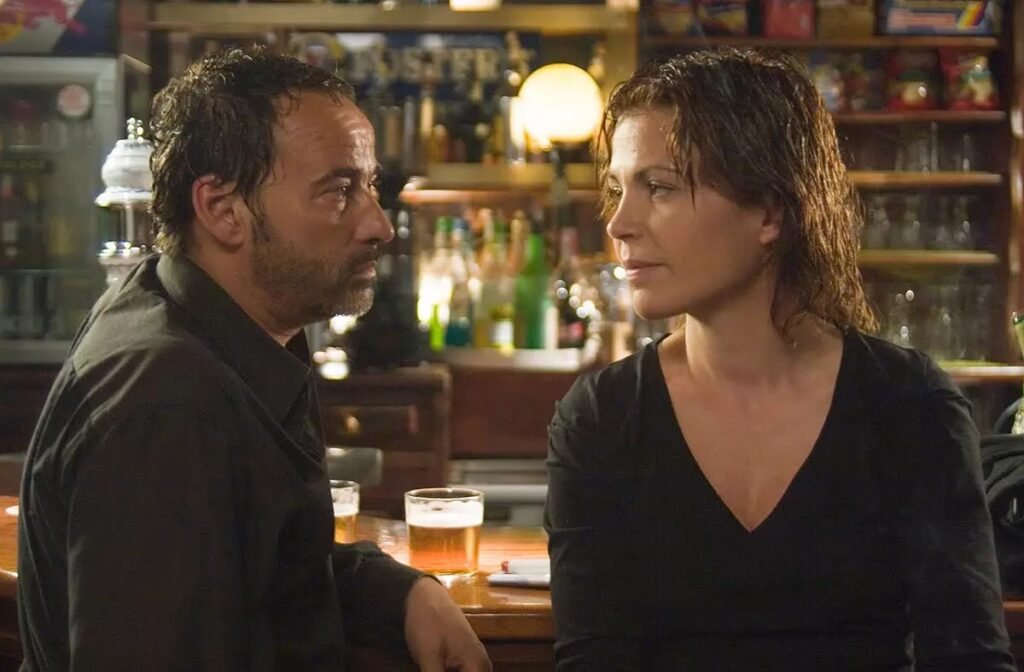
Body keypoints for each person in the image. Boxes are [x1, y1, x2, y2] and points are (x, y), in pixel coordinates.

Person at [17, 47, 491, 672]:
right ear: (222, 210)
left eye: (369, 186)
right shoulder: (170, 405)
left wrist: (401, 591)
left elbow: (265, 564)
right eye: (338, 191)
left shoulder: (213, 328)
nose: (378, 225)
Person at [544, 48, 1015, 670]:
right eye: (616, 190)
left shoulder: (908, 405)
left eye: (658, 187)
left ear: (769, 212)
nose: (619, 224)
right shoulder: (602, 419)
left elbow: (969, 658)